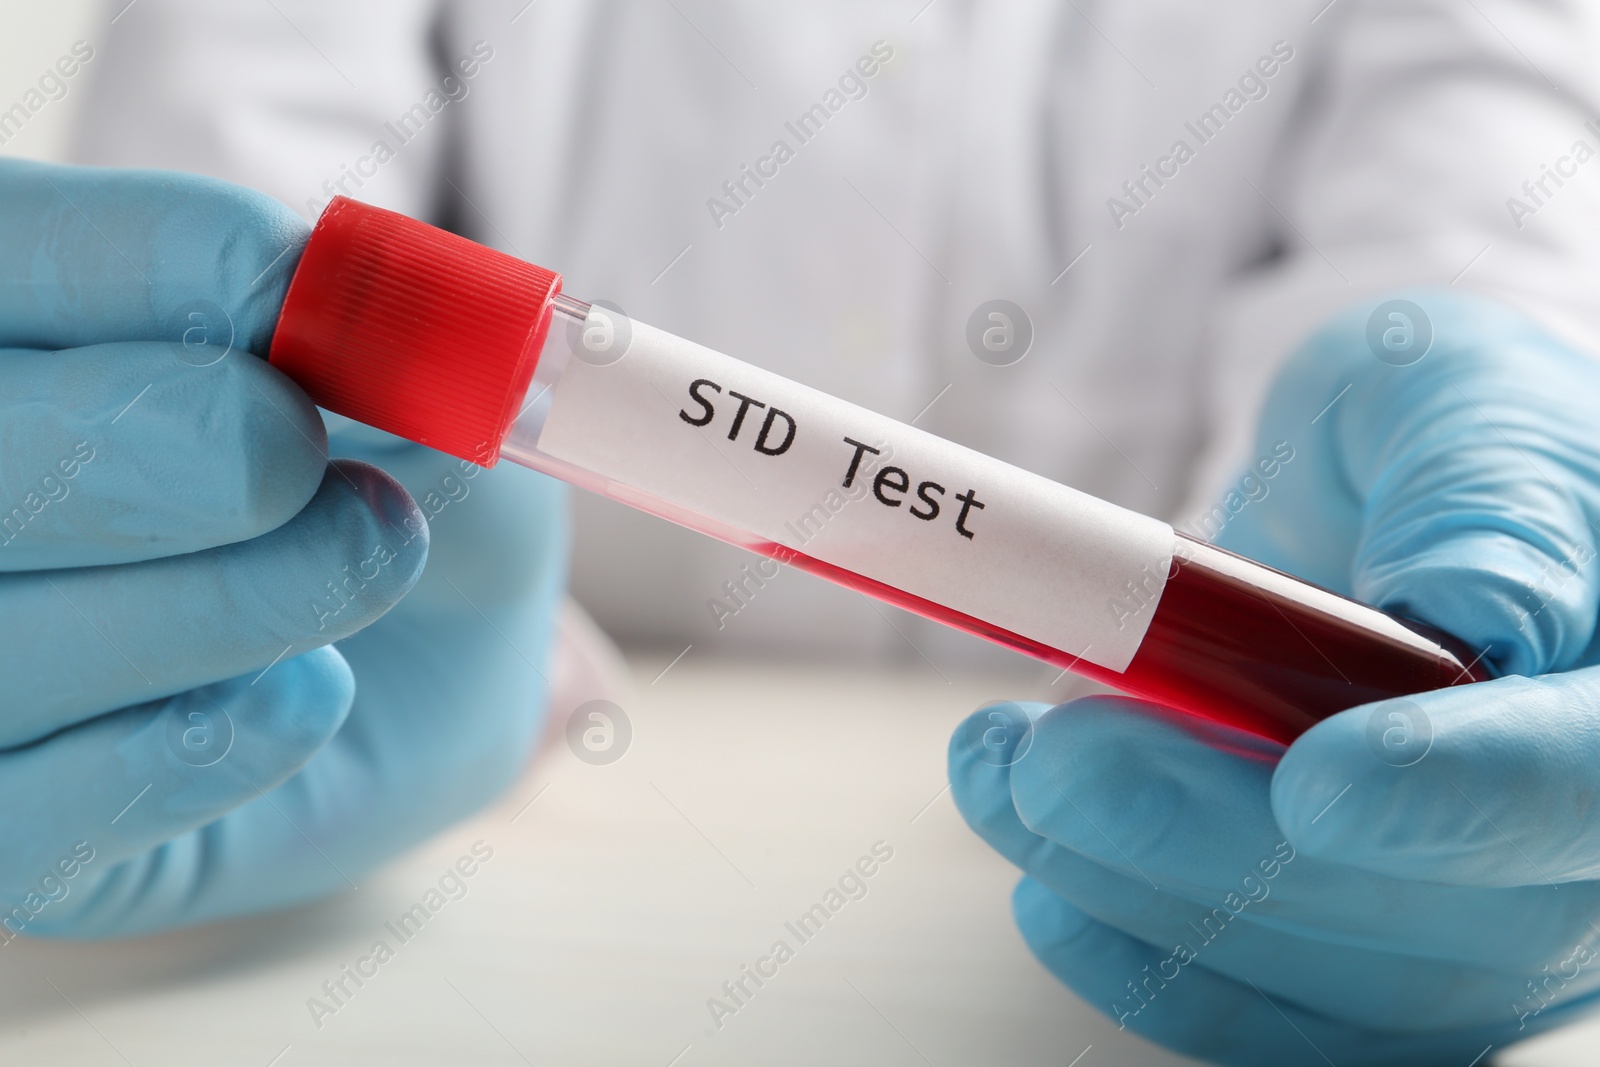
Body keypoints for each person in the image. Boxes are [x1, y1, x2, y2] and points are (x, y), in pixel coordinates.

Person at [6, 0, 1600, 1061]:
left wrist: (1483, 414)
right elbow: (240, 243)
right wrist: (151, 556)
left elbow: (1483, 193)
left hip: (1233, 732)